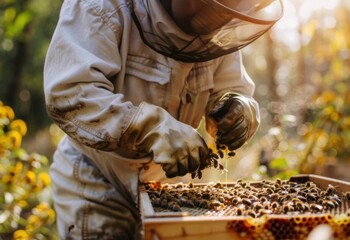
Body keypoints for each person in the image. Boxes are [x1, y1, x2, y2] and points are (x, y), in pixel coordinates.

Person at [43, 0, 283, 239]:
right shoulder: (101, 7)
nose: (214, 22)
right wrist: (150, 128)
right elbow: (70, 92)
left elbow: (230, 87)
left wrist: (235, 107)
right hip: (98, 179)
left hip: (169, 186)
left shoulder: (220, 27)